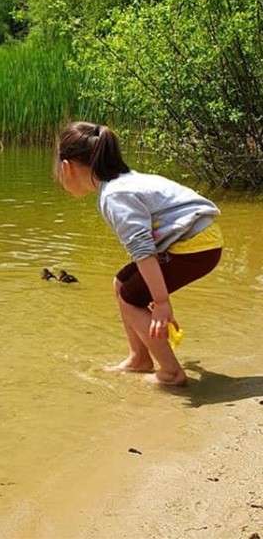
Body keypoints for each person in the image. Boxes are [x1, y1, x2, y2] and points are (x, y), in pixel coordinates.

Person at [54, 121, 223, 386]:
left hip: (193, 246)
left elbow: (143, 251)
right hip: (199, 241)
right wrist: (157, 293)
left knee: (131, 297)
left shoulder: (114, 195)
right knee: (122, 283)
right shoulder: (124, 182)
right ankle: (139, 359)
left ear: (67, 167)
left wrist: (162, 302)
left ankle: (171, 373)